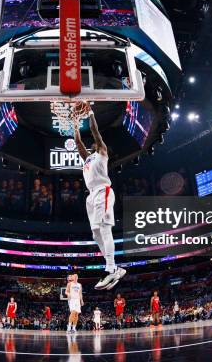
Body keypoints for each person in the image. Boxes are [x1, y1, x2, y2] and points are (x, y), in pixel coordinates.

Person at [73, 102, 125, 290]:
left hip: (103, 191)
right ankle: (114, 268)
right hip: (91, 196)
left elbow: (95, 131)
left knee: (104, 229)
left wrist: (90, 113)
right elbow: (78, 142)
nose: (93, 141)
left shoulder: (102, 152)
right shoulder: (87, 157)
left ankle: (110, 269)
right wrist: (75, 122)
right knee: (96, 234)